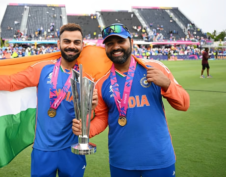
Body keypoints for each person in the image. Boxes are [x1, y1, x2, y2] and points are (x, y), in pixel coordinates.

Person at [0, 23, 98, 177]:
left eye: (76, 42)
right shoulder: (43, 69)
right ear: (59, 44)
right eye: (67, 41)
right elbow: (10, 82)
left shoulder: (86, 78)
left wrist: (91, 109)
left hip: (73, 150)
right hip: (43, 150)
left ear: (82, 46)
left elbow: (91, 118)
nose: (71, 46)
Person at [72, 23, 190, 177]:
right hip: (122, 161)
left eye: (121, 41)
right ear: (105, 48)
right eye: (110, 43)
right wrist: (86, 129)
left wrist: (167, 85)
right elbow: (102, 117)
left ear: (131, 42)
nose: (116, 47)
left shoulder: (154, 68)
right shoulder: (102, 82)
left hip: (159, 159)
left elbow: (184, 104)